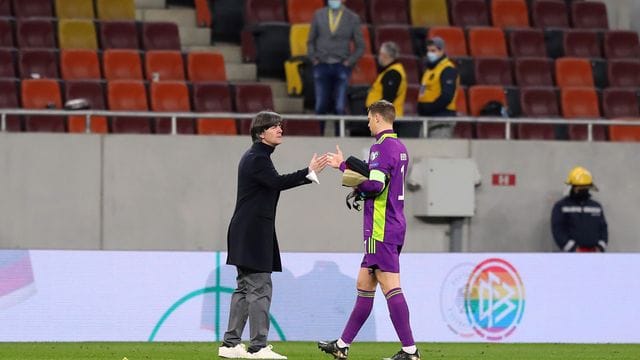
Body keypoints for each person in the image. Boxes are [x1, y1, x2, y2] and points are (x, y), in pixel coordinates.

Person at [219, 111, 328, 359]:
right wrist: (308, 172)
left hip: (245, 230)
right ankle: (258, 347)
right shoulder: (258, 158)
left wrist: (308, 174)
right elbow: (277, 182)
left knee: (244, 289)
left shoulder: (255, 156)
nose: (280, 129)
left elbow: (273, 183)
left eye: (280, 125)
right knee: (259, 288)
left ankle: (230, 344)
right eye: (273, 126)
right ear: (261, 133)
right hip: (254, 231)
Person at [318, 100, 421, 360]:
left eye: (368, 118)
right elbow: (381, 179)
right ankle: (342, 346)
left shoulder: (380, 148)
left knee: (390, 286)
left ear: (377, 118)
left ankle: (410, 351)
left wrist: (349, 178)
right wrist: (345, 166)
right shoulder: (400, 147)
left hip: (380, 228)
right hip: (394, 224)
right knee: (364, 283)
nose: (367, 123)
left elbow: (375, 186)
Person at [307, 0, 365, 117]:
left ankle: (340, 135)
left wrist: (349, 62)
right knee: (320, 106)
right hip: (321, 65)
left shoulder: (353, 18)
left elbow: (360, 46)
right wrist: (314, 59)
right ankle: (321, 135)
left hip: (341, 66)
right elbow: (310, 41)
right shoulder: (318, 15)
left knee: (339, 107)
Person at [551, 166, 608, 252]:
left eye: (586, 187)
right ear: (572, 187)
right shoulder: (561, 206)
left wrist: (600, 247)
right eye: (580, 188)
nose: (583, 190)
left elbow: (603, 229)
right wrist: (573, 249)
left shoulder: (596, 206)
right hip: (570, 257)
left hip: (595, 255)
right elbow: (558, 231)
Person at [359, 41, 407, 137]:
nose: (379, 57)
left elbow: (388, 99)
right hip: (382, 118)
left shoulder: (393, 73)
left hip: (385, 120)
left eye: (381, 54)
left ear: (386, 55)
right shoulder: (389, 71)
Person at [417, 36, 460, 138]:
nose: (429, 54)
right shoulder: (429, 70)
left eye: (433, 50)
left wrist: (429, 108)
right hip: (426, 120)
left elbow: (446, 96)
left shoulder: (448, 69)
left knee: (438, 152)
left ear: (441, 51)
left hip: (441, 121)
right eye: (428, 51)